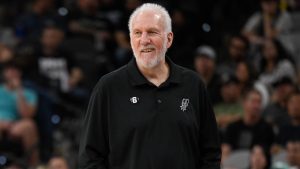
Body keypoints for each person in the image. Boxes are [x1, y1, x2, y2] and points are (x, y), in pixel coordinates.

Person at [78, 3, 221, 169]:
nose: (144, 40)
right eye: (138, 33)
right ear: (131, 40)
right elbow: (90, 156)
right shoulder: (108, 87)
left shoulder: (193, 85)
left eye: (152, 32)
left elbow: (211, 152)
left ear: (169, 38)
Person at [0, 61, 39, 166]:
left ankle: (33, 166)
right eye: (9, 70)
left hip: (14, 125)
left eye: (15, 70)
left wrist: (18, 90)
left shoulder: (29, 93)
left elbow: (26, 115)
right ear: (4, 73)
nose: (12, 73)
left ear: (20, 73)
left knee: (29, 125)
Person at [222, 88, 274, 160]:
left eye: (259, 102)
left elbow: (272, 152)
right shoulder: (233, 127)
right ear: (244, 103)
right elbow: (225, 149)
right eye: (253, 102)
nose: (256, 106)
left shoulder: (267, 128)